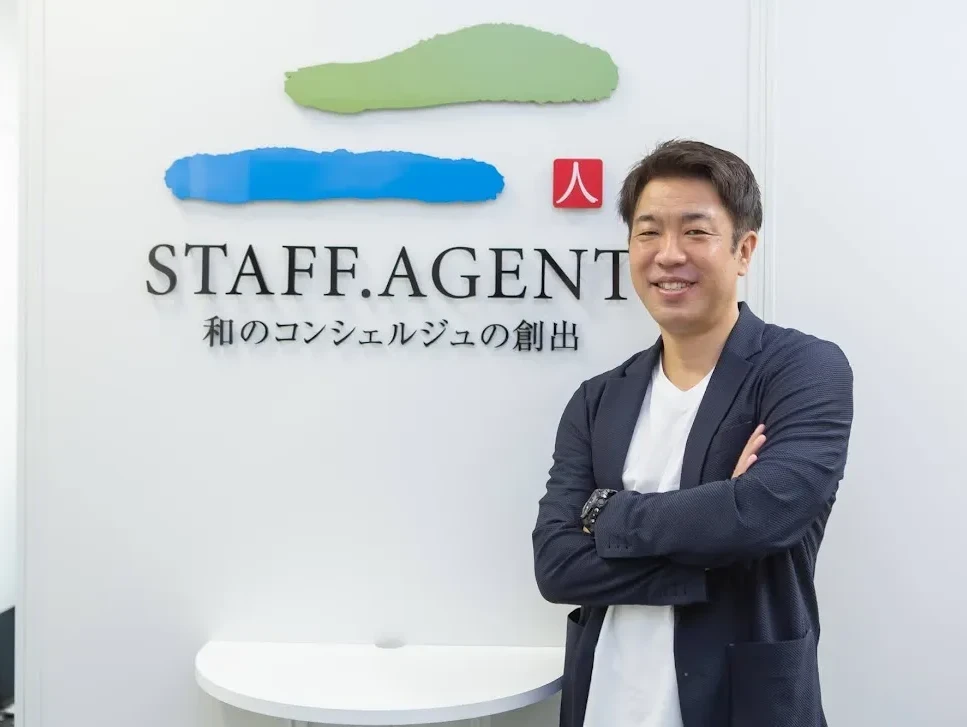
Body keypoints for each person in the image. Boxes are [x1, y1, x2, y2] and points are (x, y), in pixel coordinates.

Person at [532, 139, 853, 727]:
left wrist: (604, 513)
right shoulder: (598, 400)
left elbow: (763, 514)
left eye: (696, 232)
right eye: (648, 232)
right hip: (606, 703)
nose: (668, 254)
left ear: (743, 250)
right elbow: (557, 565)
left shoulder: (801, 370)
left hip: (744, 705)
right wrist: (715, 529)